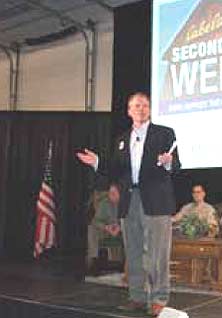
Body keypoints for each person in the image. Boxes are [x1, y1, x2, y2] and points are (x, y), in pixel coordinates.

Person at [77, 92, 181, 317]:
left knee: (157, 254)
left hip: (156, 200)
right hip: (129, 200)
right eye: (136, 106)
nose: (141, 109)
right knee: (133, 252)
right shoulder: (122, 139)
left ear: (150, 110)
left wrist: (169, 163)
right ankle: (137, 297)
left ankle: (159, 298)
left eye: (144, 105)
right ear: (129, 111)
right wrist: (97, 162)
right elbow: (116, 169)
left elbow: (177, 165)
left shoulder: (164, 134)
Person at [87, 184, 121, 272]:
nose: (111, 196)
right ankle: (93, 259)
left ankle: (119, 262)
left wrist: (120, 227)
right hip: (108, 229)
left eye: (113, 193)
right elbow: (96, 221)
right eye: (109, 193)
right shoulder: (105, 203)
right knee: (92, 228)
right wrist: (106, 227)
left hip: (123, 229)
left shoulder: (126, 204)